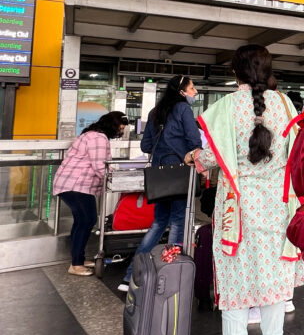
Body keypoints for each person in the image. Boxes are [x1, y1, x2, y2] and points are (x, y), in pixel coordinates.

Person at [185, 45, 304, 335]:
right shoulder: (284, 104)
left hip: (234, 211)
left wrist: (194, 155)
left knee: (235, 284)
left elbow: (209, 158)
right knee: (274, 284)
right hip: (277, 208)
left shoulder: (223, 108)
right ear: (268, 70)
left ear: (234, 71)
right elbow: (296, 153)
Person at [118, 75, 202, 291]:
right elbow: (195, 142)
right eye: (192, 88)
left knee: (158, 224)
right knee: (178, 223)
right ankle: (170, 275)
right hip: (179, 173)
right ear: (181, 91)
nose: (195, 92)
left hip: (159, 175)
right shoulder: (184, 110)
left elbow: (146, 146)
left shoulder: (155, 112)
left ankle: (130, 277)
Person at [53, 111, 129, 276]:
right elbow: (100, 166)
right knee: (87, 219)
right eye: (120, 128)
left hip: (72, 184)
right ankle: (76, 264)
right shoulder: (98, 138)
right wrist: (117, 179)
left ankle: (78, 258)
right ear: (112, 125)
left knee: (81, 221)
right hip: (76, 184)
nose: (120, 132)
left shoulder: (91, 134)